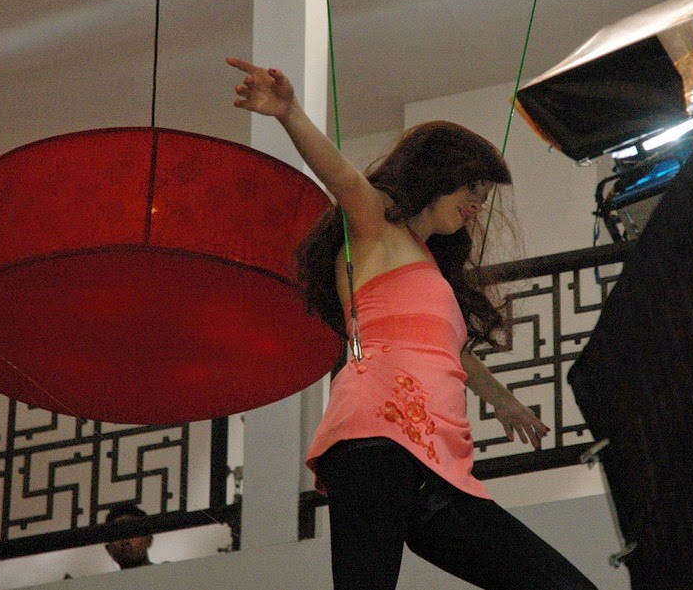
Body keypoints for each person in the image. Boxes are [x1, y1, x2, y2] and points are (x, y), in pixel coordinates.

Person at [227, 57, 597, 590]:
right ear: (438, 175)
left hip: (438, 460)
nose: (476, 206)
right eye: (471, 191)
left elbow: (453, 352)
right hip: (374, 437)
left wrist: (502, 400)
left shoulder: (430, 270)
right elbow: (342, 177)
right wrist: (289, 113)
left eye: (483, 199)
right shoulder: (377, 227)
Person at [103, 504, 154, 570]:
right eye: (117, 535)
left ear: (148, 540)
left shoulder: (165, 571)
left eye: (131, 532)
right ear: (108, 549)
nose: (125, 541)